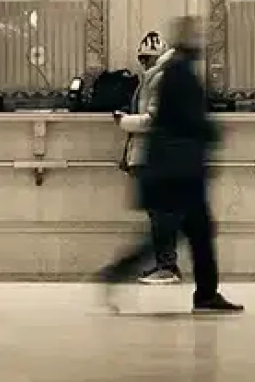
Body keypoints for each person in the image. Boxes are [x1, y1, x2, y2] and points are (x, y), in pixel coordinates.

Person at [98, 16, 244, 314]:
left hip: (173, 168)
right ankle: (202, 293)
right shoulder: (177, 73)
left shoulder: (172, 72)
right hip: (181, 170)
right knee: (188, 231)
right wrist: (211, 133)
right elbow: (181, 120)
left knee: (181, 230)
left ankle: (200, 291)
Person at [118, 30, 181, 284]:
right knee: (159, 214)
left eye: (146, 58)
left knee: (161, 214)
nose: (143, 62)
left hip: (156, 155)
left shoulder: (158, 80)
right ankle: (164, 264)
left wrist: (125, 122)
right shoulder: (153, 78)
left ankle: (167, 266)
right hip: (153, 155)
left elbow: (155, 120)